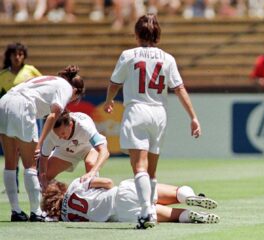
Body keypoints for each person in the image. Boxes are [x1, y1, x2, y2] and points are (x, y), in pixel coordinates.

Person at [104, 14, 201, 229]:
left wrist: (109, 101)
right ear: (158, 35)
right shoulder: (167, 58)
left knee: (138, 166)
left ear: (137, 34)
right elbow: (179, 88)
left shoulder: (128, 55)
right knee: (152, 171)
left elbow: (114, 83)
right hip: (159, 114)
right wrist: (193, 117)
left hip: (137, 109)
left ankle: (146, 211)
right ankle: (151, 210)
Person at [0, 65, 85, 222]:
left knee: (10, 163)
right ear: (76, 91)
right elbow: (53, 115)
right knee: (30, 165)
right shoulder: (66, 88)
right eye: (76, 98)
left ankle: (16, 211)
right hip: (22, 106)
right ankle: (36, 212)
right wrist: (40, 142)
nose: (72, 101)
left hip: (4, 101)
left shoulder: (49, 80)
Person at [41, 177, 219, 224]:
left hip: (122, 214)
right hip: (121, 193)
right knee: (174, 192)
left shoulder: (64, 218)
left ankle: (194, 216)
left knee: (171, 215)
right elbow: (108, 183)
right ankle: (188, 197)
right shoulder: (73, 187)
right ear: (60, 188)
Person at [0, 42, 42, 194]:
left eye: (20, 54)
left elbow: (43, 88)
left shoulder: (31, 71)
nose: (17, 57)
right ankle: (14, 184)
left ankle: (38, 182)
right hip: (9, 120)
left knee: (32, 152)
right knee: (12, 153)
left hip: (30, 117)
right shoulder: (3, 76)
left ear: (24, 56)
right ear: (9, 56)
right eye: (14, 54)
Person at [38, 110, 109, 188]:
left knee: (90, 164)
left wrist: (93, 172)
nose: (60, 137)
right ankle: (59, 196)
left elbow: (104, 151)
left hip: (88, 148)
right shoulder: (50, 133)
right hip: (65, 151)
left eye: (62, 133)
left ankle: (94, 195)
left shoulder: (85, 127)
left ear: (70, 125)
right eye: (57, 134)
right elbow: (43, 158)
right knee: (45, 175)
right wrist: (43, 179)